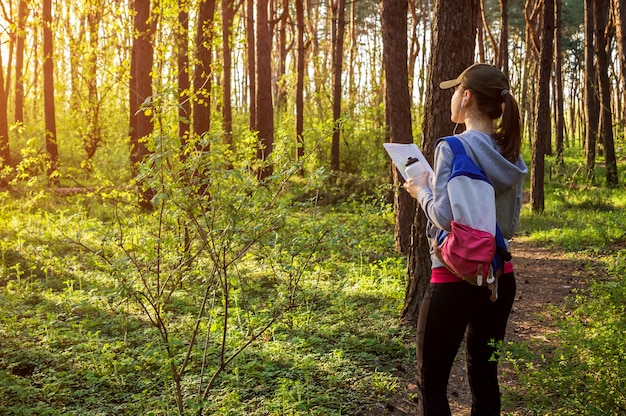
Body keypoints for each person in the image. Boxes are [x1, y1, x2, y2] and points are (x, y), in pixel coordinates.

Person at [404, 63, 528, 415]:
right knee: (485, 375)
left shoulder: (453, 147)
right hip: (499, 277)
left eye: (456, 91)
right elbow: (509, 224)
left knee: (432, 383)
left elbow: (443, 216)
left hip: (454, 276)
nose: (453, 98)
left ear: (468, 96)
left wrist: (420, 191)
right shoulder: (510, 154)